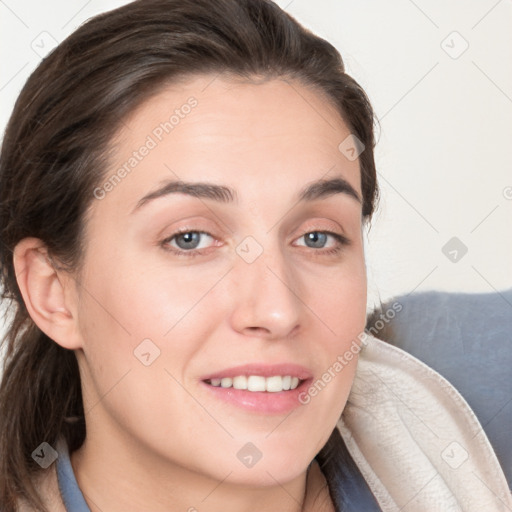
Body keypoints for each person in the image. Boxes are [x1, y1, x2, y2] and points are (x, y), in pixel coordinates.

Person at [0, 1, 509, 511]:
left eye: (317, 237)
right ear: (54, 292)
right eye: (190, 239)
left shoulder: (464, 381)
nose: (277, 311)